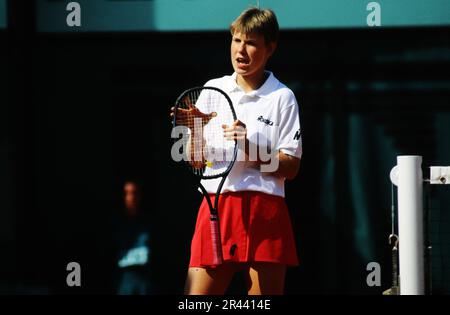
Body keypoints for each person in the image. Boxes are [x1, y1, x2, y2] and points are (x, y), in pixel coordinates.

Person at [172, 7, 302, 295]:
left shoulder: (283, 97)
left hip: (265, 209)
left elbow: (291, 168)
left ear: (270, 47)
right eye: (237, 40)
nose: (241, 50)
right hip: (216, 207)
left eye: (252, 43)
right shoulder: (211, 89)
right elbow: (196, 160)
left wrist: (249, 146)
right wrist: (193, 128)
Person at [114, 180, 155, 294]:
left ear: (140, 196)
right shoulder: (115, 225)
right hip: (124, 281)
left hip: (145, 282)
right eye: (127, 193)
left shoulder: (150, 223)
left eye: (134, 193)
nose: (131, 197)